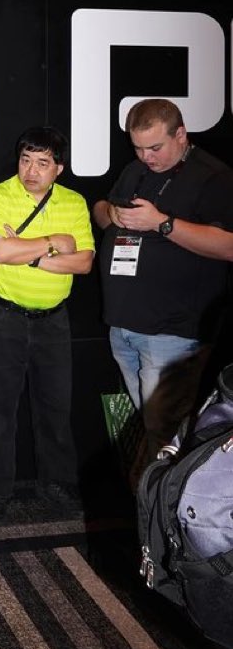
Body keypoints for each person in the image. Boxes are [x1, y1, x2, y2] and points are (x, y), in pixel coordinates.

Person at [93, 99, 233, 458]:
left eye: (155, 147)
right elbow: (101, 211)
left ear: (181, 134)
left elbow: (228, 245)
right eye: (138, 148)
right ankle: (156, 490)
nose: (146, 156)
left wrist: (162, 223)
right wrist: (111, 213)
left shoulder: (213, 177)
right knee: (152, 427)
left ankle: (168, 494)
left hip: (172, 331)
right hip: (124, 324)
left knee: (166, 435)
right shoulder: (135, 169)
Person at [0, 126, 94, 525]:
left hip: (53, 321)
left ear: (58, 169)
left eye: (42, 163)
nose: (31, 171)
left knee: (55, 409)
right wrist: (55, 241)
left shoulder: (74, 202)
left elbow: (83, 262)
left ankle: (57, 485)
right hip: (3, 317)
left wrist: (29, 254)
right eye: (25, 160)